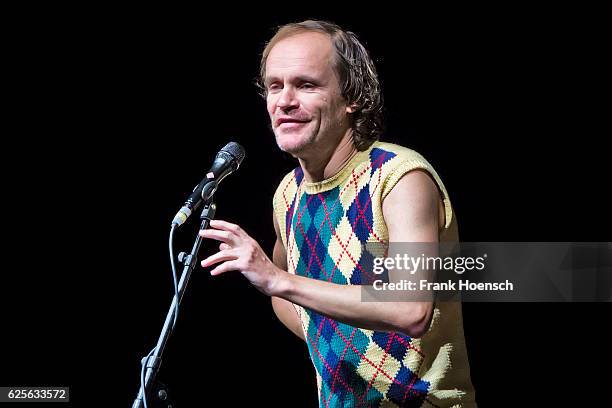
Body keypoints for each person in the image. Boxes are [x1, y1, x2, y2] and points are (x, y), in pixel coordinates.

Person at [200, 20, 476, 407]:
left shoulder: (398, 176)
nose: (285, 101)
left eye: (306, 85)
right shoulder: (288, 194)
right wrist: (324, 326)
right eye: (275, 86)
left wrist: (279, 280)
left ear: (352, 97)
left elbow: (411, 308)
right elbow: (281, 292)